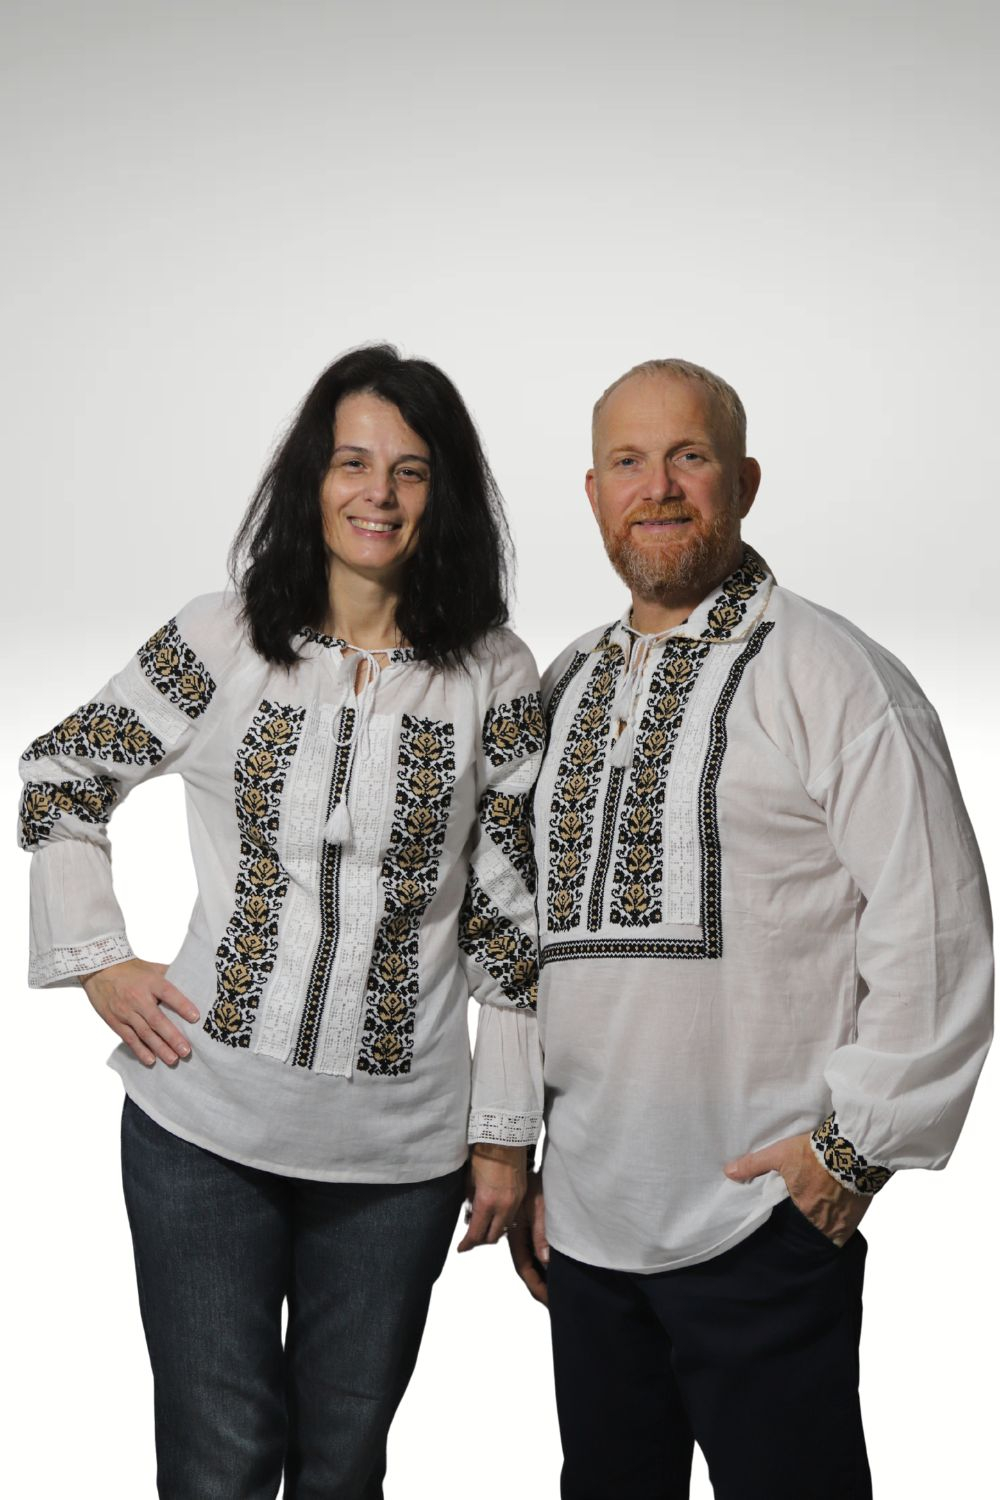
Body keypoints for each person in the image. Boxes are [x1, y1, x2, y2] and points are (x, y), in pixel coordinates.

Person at [19, 343, 544, 1500]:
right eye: (353, 462)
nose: (378, 493)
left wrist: (505, 1134)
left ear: (444, 493)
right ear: (312, 477)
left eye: (410, 470)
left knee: (342, 1470)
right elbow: (63, 773)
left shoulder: (494, 674)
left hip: (398, 1158)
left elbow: (512, 920)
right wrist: (98, 960)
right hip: (202, 1131)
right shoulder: (223, 638)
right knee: (218, 1467)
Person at [509, 357, 993, 1499]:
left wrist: (851, 1154)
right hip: (585, 1229)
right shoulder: (563, 687)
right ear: (593, 493)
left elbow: (934, 925)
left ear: (744, 481)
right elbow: (523, 947)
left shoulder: (833, 675)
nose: (658, 487)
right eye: (628, 462)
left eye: (689, 456)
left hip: (763, 1220)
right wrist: (521, 1153)